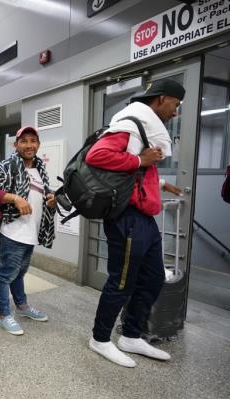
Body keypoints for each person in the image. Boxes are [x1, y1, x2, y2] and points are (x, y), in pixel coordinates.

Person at [86, 79, 184, 367]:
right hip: (127, 218)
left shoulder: (145, 129)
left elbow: (138, 171)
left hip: (144, 219)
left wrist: (162, 183)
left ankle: (131, 335)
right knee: (122, 281)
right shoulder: (132, 123)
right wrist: (140, 160)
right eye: (175, 105)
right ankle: (100, 339)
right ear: (162, 99)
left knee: (153, 278)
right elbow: (98, 155)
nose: (175, 112)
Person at [0, 126, 56, 335]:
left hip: (31, 232)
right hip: (13, 231)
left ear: (38, 145)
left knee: (19, 273)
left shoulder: (40, 168)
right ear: (15, 145)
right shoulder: (7, 166)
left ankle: (22, 307)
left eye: (33, 141)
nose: (29, 145)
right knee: (6, 273)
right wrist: (14, 198)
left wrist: (50, 198)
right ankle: (4, 315)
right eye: (24, 141)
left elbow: (39, 194)